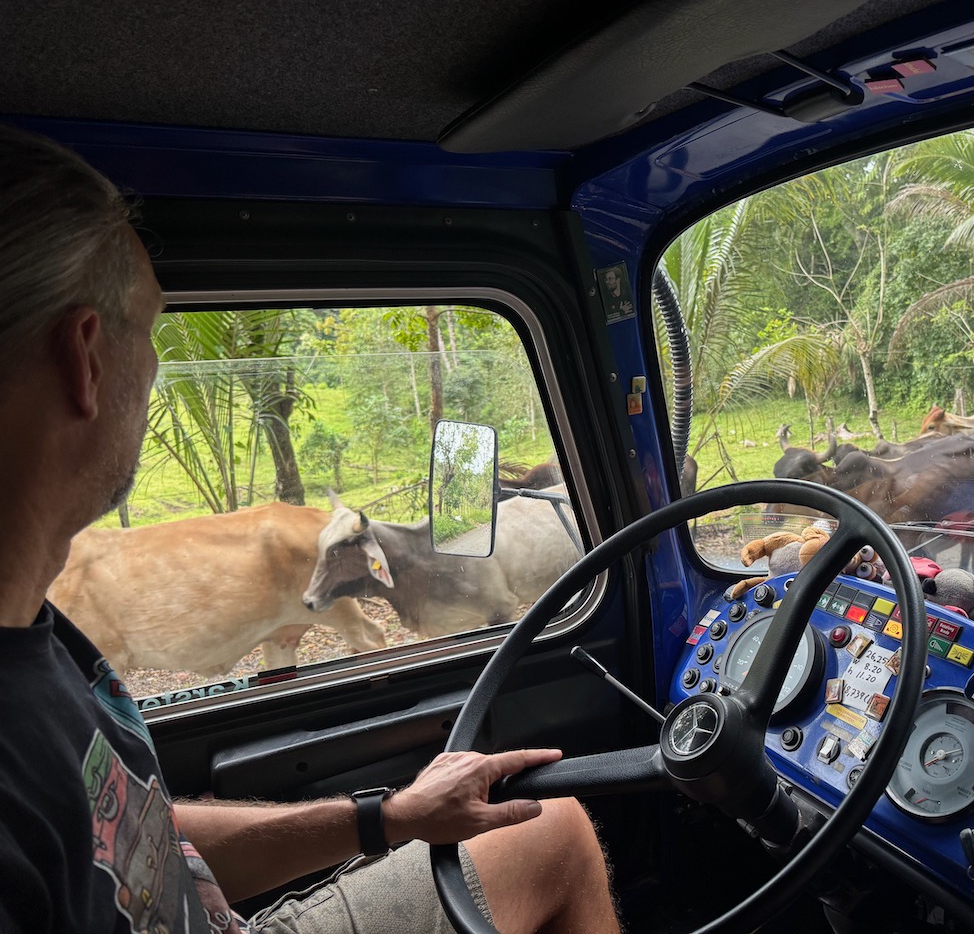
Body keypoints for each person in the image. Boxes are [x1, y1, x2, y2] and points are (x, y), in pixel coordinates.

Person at [0, 125, 622, 934]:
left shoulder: (41, 632)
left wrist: (386, 817)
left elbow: (139, 837)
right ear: (86, 359)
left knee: (550, 831)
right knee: (559, 835)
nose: (152, 370)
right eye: (150, 332)